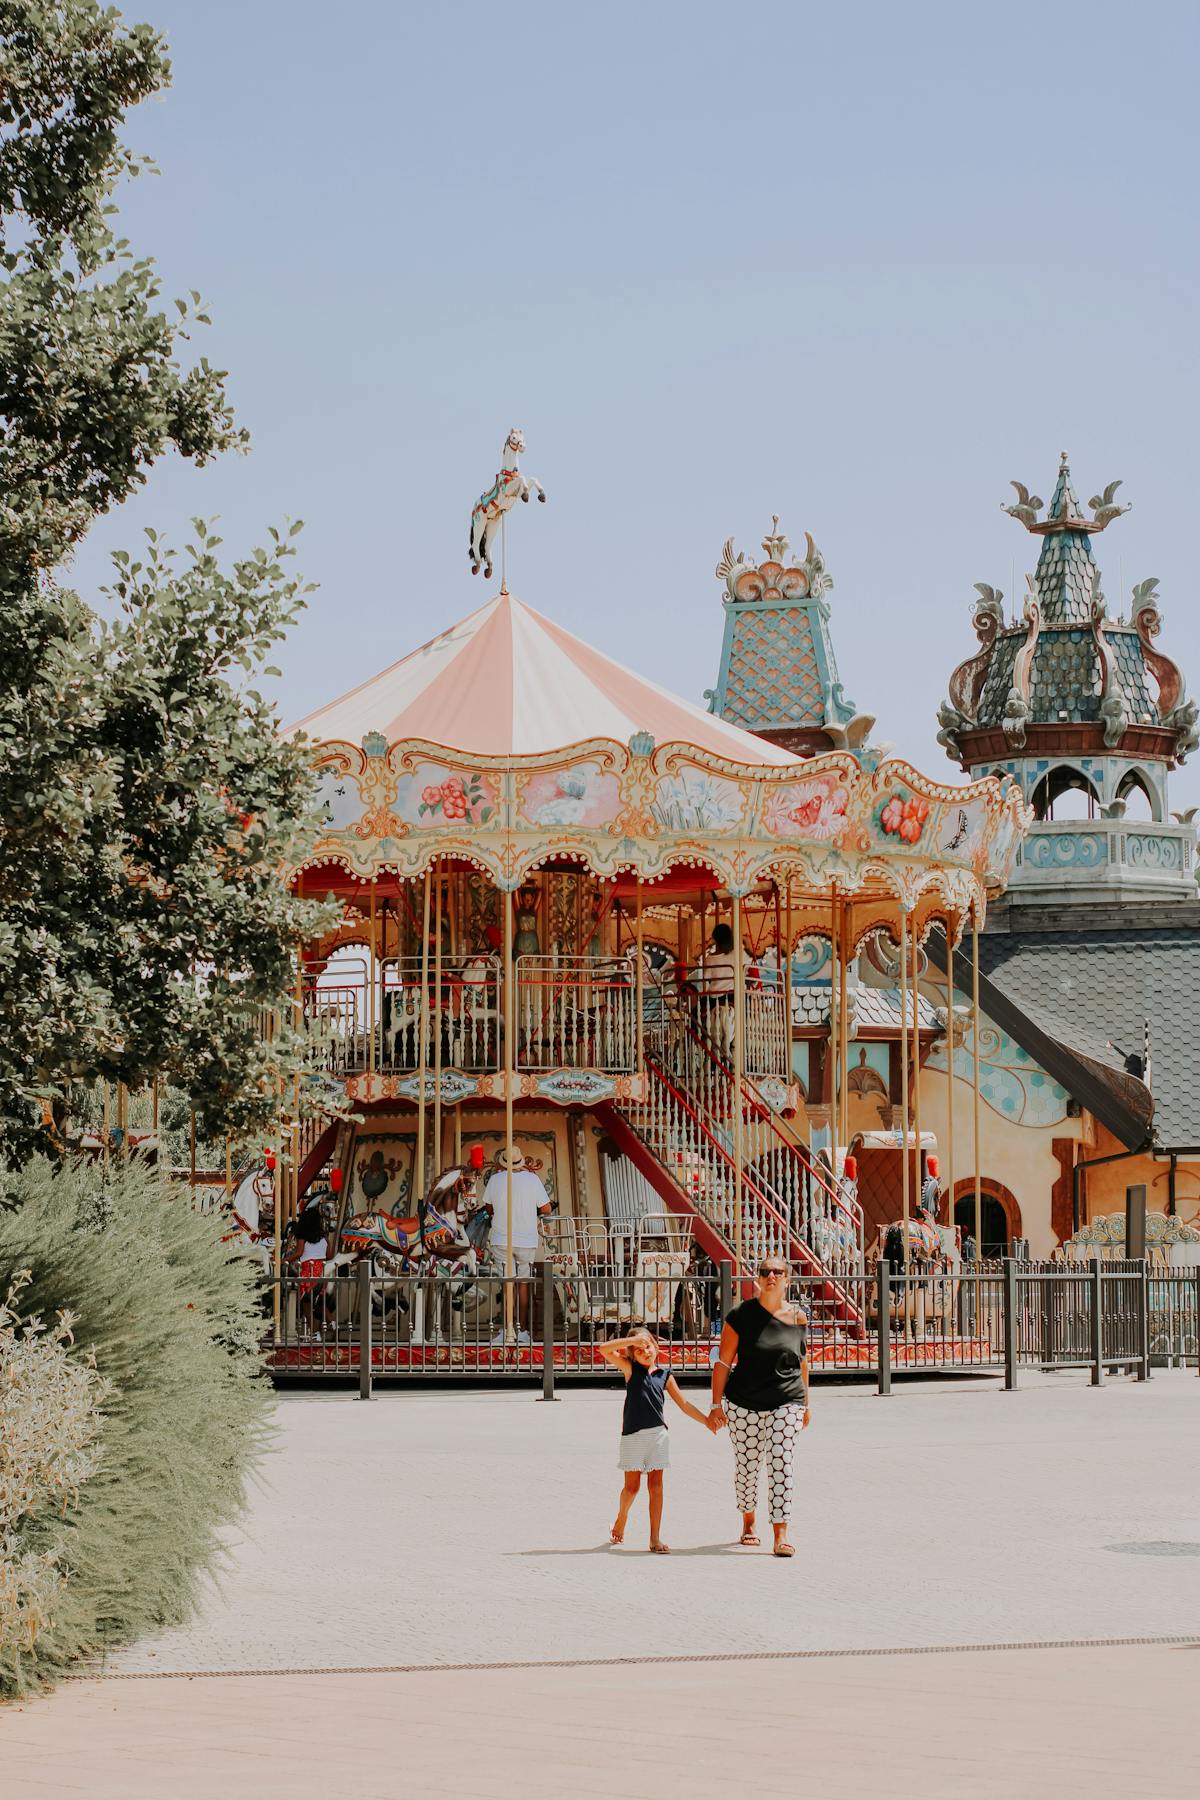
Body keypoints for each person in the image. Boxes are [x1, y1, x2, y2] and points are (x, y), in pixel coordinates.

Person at [708, 1259, 810, 1558]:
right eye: (766, 1272)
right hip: (744, 1403)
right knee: (748, 1466)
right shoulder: (740, 1316)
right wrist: (716, 1405)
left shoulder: (798, 1317)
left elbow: (802, 1362)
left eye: (778, 1272)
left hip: (787, 1399)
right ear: (757, 1279)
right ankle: (749, 1519)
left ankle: (781, 1533)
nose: (772, 1277)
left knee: (781, 1459)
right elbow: (724, 1362)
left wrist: (806, 1403)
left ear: (787, 1281)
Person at [600, 1329, 716, 1553]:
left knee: (656, 1487)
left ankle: (654, 1537)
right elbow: (603, 1350)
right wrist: (633, 1340)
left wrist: (706, 1421)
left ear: (657, 1347)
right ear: (632, 1354)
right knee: (631, 1489)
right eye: (639, 1349)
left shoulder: (665, 1375)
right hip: (633, 1436)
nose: (645, 1351)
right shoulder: (630, 1369)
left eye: (648, 1346)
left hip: (658, 1436)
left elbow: (684, 1404)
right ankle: (621, 1518)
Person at [483, 1145, 553, 1344]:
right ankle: (522, 1331)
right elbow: (546, 1208)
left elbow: (489, 1207)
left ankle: (507, 1330)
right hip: (526, 1239)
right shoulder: (532, 1179)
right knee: (523, 1284)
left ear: (503, 1162)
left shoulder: (495, 1179)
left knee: (507, 1285)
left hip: (502, 1238)